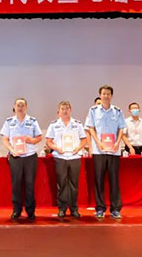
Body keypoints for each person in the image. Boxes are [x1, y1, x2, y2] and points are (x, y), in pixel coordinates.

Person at [85, 85, 126, 219]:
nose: (106, 96)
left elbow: (121, 128)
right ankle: (100, 208)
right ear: (100, 95)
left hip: (114, 151)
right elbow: (90, 128)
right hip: (99, 150)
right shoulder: (93, 111)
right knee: (99, 180)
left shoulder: (118, 111)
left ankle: (115, 209)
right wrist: (97, 142)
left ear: (111, 96)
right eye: (103, 94)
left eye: (108, 94)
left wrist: (117, 142)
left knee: (114, 180)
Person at [1, 98, 43, 221]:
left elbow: (39, 137)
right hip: (16, 156)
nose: (20, 107)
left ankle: (30, 211)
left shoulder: (32, 121)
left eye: (22, 105)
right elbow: (5, 139)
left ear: (26, 107)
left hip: (30, 156)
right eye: (18, 105)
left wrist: (32, 140)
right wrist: (11, 150)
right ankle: (16, 210)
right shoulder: (9, 122)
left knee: (30, 184)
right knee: (16, 184)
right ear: (14, 107)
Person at [45, 101, 87, 218]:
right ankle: (62, 208)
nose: (65, 111)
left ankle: (74, 209)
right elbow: (48, 141)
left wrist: (78, 148)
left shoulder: (77, 124)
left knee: (74, 184)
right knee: (62, 184)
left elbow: (84, 139)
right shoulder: (54, 125)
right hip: (60, 157)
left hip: (74, 157)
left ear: (70, 110)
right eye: (62, 108)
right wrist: (56, 148)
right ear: (58, 111)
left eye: (67, 108)